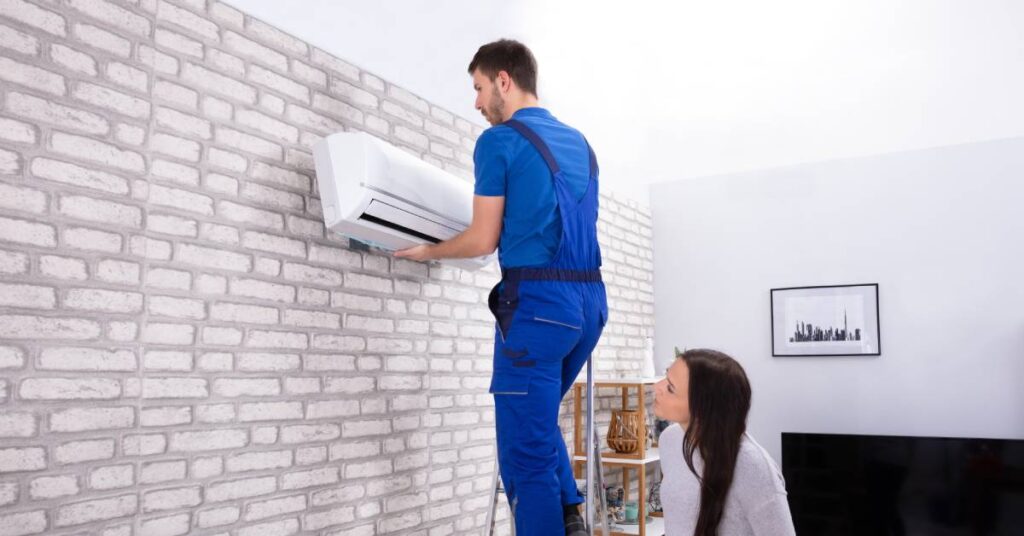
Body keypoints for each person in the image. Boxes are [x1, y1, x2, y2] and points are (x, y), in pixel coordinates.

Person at [395, 39, 606, 535]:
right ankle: (570, 510)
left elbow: (482, 239)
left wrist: (427, 251)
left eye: (478, 88)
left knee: (522, 458)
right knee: (537, 416)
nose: (476, 102)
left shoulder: (498, 141)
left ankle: (561, 513)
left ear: (504, 81)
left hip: (538, 308)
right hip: (590, 307)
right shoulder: (582, 144)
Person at [653, 349, 796, 536]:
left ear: (703, 407)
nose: (657, 387)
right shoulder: (669, 441)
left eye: (670, 388)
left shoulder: (753, 467)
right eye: (665, 376)